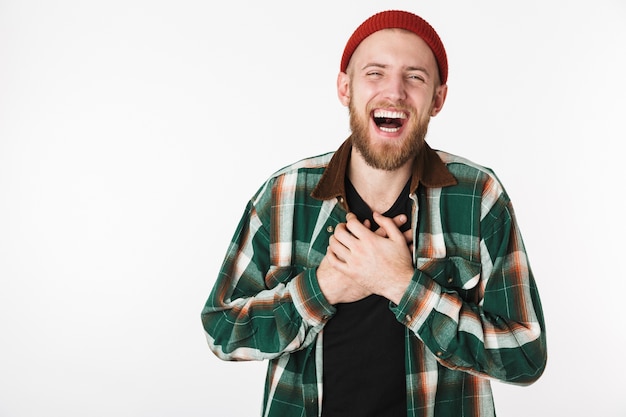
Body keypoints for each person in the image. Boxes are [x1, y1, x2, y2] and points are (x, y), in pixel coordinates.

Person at [201, 9, 547, 417]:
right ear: (345, 88)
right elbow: (222, 331)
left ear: (438, 98)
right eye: (375, 73)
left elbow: (525, 356)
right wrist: (322, 289)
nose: (394, 92)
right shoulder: (282, 196)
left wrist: (403, 286)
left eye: (415, 77)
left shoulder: (478, 196)